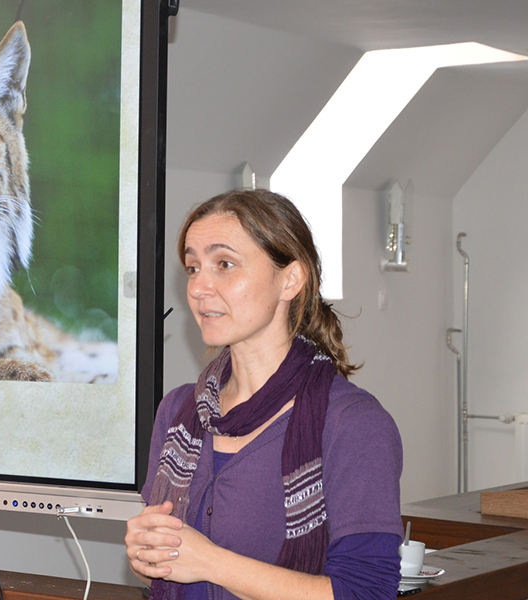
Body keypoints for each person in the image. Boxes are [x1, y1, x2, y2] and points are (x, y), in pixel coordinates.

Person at [126, 190, 403, 600]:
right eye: (192, 267)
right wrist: (146, 556)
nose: (199, 287)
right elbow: (165, 570)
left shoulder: (352, 422)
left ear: (290, 279)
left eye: (224, 264)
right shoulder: (178, 413)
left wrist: (211, 561)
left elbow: (367, 593)